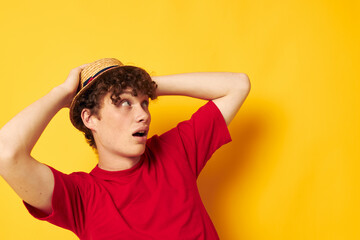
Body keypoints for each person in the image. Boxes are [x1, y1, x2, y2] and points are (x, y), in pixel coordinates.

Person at [0, 58, 251, 239]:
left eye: (144, 103)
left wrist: (143, 85)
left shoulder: (176, 151)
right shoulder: (80, 197)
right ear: (90, 119)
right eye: (124, 104)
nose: (143, 114)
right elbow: (5, 152)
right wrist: (62, 93)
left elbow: (237, 85)